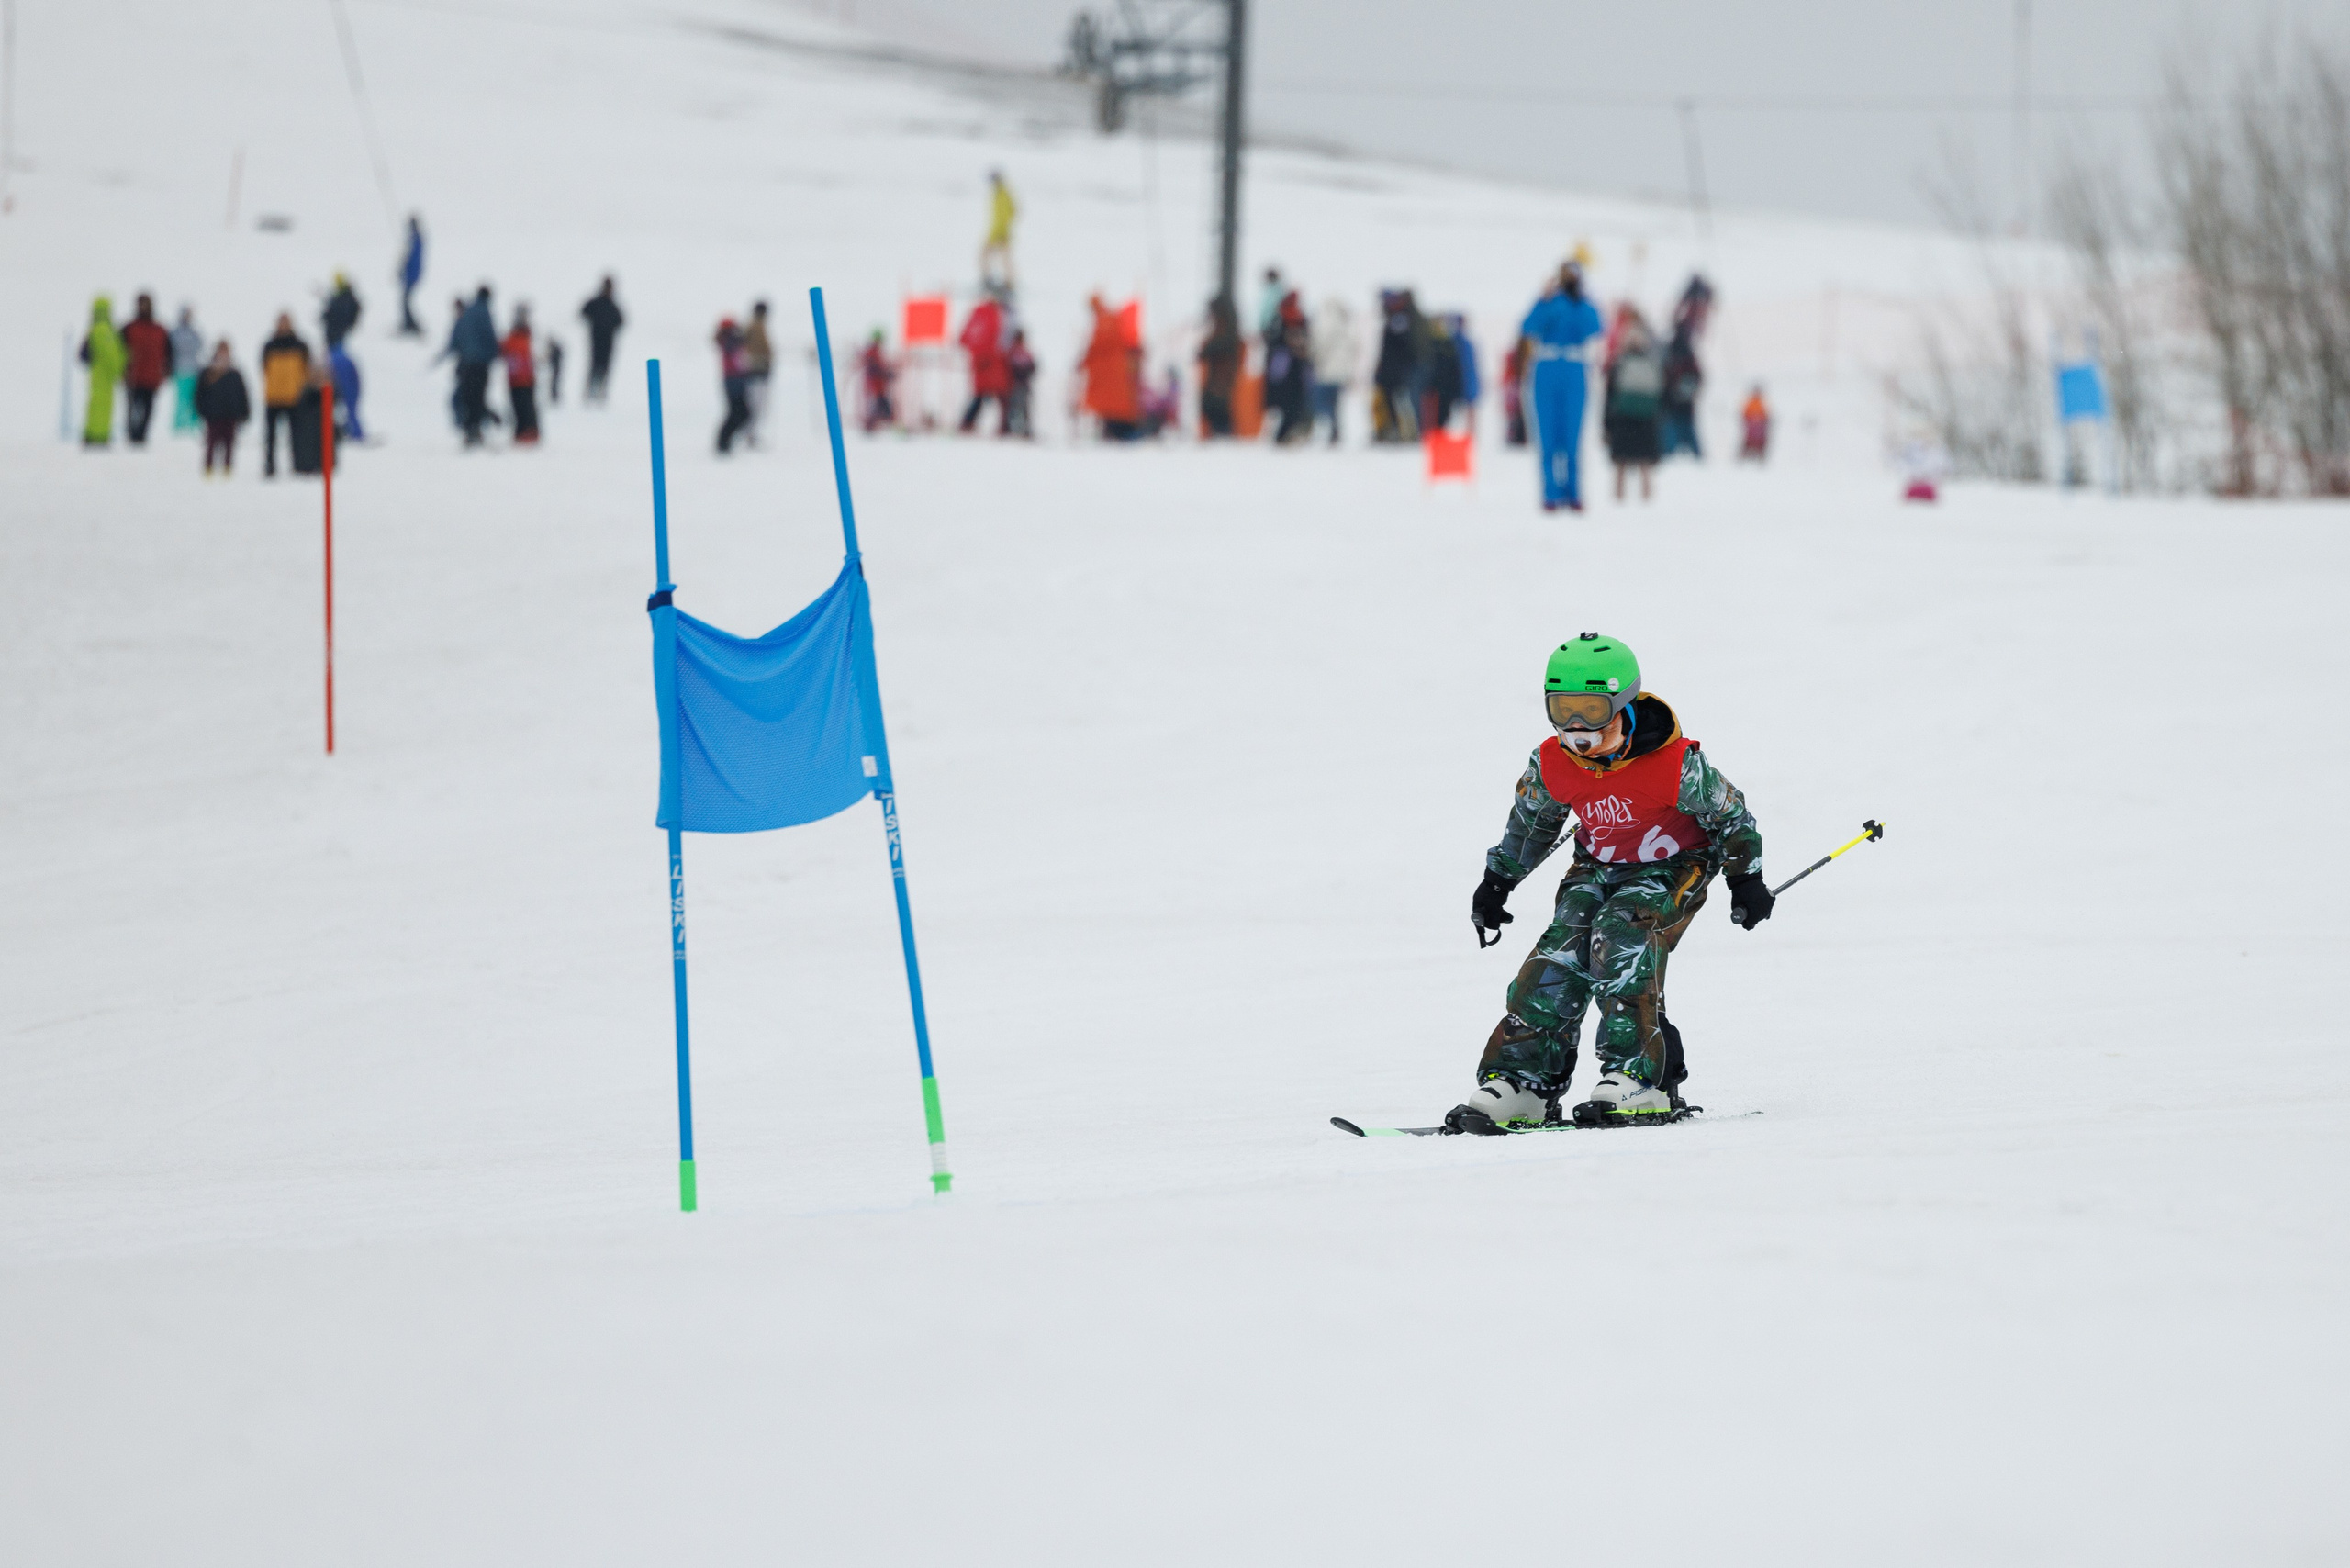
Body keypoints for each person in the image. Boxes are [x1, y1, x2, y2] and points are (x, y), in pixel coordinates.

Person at [1450, 633, 1768, 1134]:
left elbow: (1732, 816)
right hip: (1596, 865)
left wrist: (1745, 876)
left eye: (1593, 710)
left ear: (1622, 703)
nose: (1577, 727)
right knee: (1560, 950)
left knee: (1618, 937)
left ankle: (1640, 1078)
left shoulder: (1676, 764)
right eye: (1563, 709)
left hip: (1672, 865)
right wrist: (1497, 882)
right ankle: (1523, 1083)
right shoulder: (1553, 762)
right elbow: (1532, 822)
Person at [1519, 262, 1603, 511]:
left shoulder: (1584, 305)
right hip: (1547, 366)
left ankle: (1573, 492)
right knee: (1547, 434)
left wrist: (1582, 299)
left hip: (1574, 367)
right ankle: (1550, 494)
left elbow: (1595, 328)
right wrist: (1542, 300)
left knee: (1572, 435)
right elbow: (1528, 327)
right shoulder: (1548, 302)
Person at [1602, 310, 1664, 502]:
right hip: (1646, 419)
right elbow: (1660, 394)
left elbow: (1609, 396)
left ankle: (1618, 498)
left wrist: (1606, 425)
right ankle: (1647, 499)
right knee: (1645, 462)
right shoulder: (1653, 363)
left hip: (1622, 418)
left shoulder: (1618, 364)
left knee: (1620, 462)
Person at [442, 286, 500, 446]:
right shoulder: (484, 312)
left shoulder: (467, 313)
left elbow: (457, 337)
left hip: (466, 364)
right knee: (478, 397)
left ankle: (468, 430)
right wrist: (495, 353)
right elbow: (489, 335)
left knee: (467, 397)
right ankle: (476, 430)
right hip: (480, 363)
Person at [1080, 294, 1140, 440]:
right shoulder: (1110, 318)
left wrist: (1085, 361)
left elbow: (1098, 346)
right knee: (1113, 404)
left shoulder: (1105, 320)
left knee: (1112, 405)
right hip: (1114, 371)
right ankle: (1115, 430)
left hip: (1110, 372)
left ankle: (1118, 432)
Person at [1371, 289, 1427, 443]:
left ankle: (1407, 432)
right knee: (1395, 401)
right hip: (1394, 370)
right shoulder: (1398, 319)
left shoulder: (1399, 320)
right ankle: (1399, 430)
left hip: (1397, 371)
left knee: (1402, 402)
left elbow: (1401, 348)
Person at [259, 313, 312, 476]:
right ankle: (270, 466)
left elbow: (306, 368)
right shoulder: (269, 345)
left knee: (296, 435)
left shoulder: (300, 345)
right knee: (270, 436)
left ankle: (298, 464)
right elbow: (264, 367)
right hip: (273, 396)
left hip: (294, 397)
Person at [118, 294, 173, 446]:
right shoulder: (128, 328)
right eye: (141, 304)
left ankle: (141, 436)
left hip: (152, 378)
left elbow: (169, 352)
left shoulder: (160, 330)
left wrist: (167, 370)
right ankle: (132, 435)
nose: (144, 307)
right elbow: (120, 351)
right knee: (132, 408)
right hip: (133, 377)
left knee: (148, 410)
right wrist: (122, 371)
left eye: (146, 304)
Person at [196, 341, 251, 476]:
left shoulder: (234, 373)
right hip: (213, 415)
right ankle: (208, 468)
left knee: (229, 443)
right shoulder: (207, 373)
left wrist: (244, 412)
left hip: (230, 414)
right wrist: (202, 410)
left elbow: (242, 394)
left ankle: (227, 469)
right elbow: (199, 394)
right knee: (211, 443)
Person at [957, 290, 1009, 434]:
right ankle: (1003, 425)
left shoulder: (977, 314)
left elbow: (963, 338)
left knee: (981, 395)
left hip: (979, 363)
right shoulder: (993, 315)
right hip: (990, 363)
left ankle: (968, 422)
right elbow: (994, 337)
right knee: (998, 396)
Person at [1266, 292, 1315, 446]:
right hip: (1288, 371)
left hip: (1290, 372)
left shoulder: (1289, 320)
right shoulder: (1287, 320)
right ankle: (1284, 435)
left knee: (1292, 406)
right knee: (1291, 405)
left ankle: (1286, 434)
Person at [78, 296, 125, 447]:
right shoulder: (104, 330)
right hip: (104, 375)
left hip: (97, 374)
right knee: (102, 406)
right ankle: (99, 435)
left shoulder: (95, 329)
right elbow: (111, 355)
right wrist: (119, 369)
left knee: (94, 405)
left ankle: (93, 433)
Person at [1310, 297, 1359, 446]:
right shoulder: (1346, 325)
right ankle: (1335, 429)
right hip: (1341, 372)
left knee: (1322, 402)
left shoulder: (1325, 323)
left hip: (1326, 370)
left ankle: (1328, 428)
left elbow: (1318, 346)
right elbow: (1354, 348)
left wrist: (1315, 360)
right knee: (1335, 404)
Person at [1197, 294, 1241, 437]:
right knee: (1213, 403)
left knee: (1217, 404)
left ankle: (1223, 434)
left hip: (1222, 373)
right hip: (1218, 373)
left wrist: (1207, 350)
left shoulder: (1225, 324)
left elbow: (1224, 343)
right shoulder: (1224, 323)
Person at [1661, 323, 1704, 459]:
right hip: (1687, 403)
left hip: (1671, 403)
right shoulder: (1689, 354)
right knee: (1689, 435)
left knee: (1670, 442)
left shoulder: (1670, 351)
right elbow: (1699, 376)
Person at [580, 276, 624, 404]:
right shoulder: (597, 303)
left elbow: (620, 321)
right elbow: (583, 312)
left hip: (607, 341)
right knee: (595, 365)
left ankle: (600, 391)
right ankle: (591, 391)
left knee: (604, 367)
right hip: (596, 340)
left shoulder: (612, 306)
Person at [502, 306, 540, 446]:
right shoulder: (522, 336)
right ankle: (525, 431)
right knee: (523, 406)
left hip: (520, 378)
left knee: (523, 407)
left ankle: (526, 431)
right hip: (521, 378)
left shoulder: (517, 337)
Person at [714, 318, 752, 454]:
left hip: (737, 380)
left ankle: (724, 441)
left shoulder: (729, 341)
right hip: (733, 381)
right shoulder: (728, 341)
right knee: (738, 413)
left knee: (741, 413)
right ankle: (723, 442)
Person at [742, 300, 774, 445]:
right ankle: (750, 435)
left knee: (758, 406)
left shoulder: (756, 325)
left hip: (759, 371)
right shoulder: (754, 326)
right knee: (756, 405)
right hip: (756, 372)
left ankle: (751, 434)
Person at [169, 307, 206, 434]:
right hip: (180, 370)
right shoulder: (176, 333)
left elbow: (200, 345)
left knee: (193, 399)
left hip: (193, 371)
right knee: (181, 399)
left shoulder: (193, 332)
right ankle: (179, 425)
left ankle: (191, 425)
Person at [979, 169, 1017, 289]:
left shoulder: (1003, 194)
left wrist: (1003, 230)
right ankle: (996, 280)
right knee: (999, 257)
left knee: (996, 257)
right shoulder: (998, 194)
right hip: (997, 232)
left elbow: (1010, 213)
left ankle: (1006, 283)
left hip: (1001, 233)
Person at [857, 330, 899, 432]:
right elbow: (874, 368)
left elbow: (879, 367)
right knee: (880, 406)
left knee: (882, 406)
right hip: (875, 386)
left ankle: (876, 425)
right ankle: (872, 426)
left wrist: (888, 374)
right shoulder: (872, 352)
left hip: (879, 386)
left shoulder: (876, 352)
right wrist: (885, 374)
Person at [328, 339, 365, 442]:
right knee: (352, 412)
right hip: (351, 388)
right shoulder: (347, 358)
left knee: (335, 413)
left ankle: (341, 433)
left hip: (337, 390)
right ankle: (356, 434)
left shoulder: (330, 358)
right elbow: (356, 375)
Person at [1003, 328, 1036, 438]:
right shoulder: (1014, 351)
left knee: (1023, 407)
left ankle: (1024, 429)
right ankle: (1010, 428)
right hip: (1015, 385)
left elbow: (1033, 367)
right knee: (1014, 407)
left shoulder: (1022, 352)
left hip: (1021, 385)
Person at [397, 216, 426, 335]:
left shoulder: (415, 240)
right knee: (406, 300)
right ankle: (409, 322)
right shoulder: (415, 239)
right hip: (412, 274)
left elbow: (410, 258)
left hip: (411, 275)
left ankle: (410, 324)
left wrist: (403, 268)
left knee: (405, 300)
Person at [320, 272, 362, 349]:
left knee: (336, 350)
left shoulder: (346, 298)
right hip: (334, 330)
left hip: (338, 330)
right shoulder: (336, 296)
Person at [1740, 385, 1771, 462]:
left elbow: (1766, 415)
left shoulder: (1761, 403)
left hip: (1759, 428)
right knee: (1748, 442)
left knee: (1761, 443)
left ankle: (1761, 457)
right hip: (1751, 428)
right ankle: (1744, 457)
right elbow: (1745, 413)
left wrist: (1761, 420)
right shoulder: (1750, 402)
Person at [546, 336, 565, 407]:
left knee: (554, 383)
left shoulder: (554, 349)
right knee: (555, 382)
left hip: (555, 368)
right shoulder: (556, 349)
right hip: (556, 368)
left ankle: (554, 396)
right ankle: (554, 396)